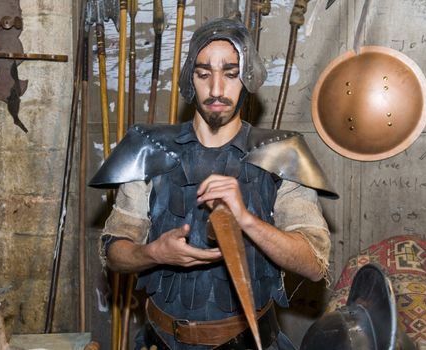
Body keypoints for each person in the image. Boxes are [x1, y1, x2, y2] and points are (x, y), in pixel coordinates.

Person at [90, 17, 337, 350]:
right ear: (191, 80)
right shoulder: (149, 149)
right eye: (204, 74)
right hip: (160, 341)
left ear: (246, 79)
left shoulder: (281, 154)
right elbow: (116, 252)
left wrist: (247, 220)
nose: (217, 89)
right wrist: (153, 252)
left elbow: (312, 264)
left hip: (249, 342)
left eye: (230, 74)